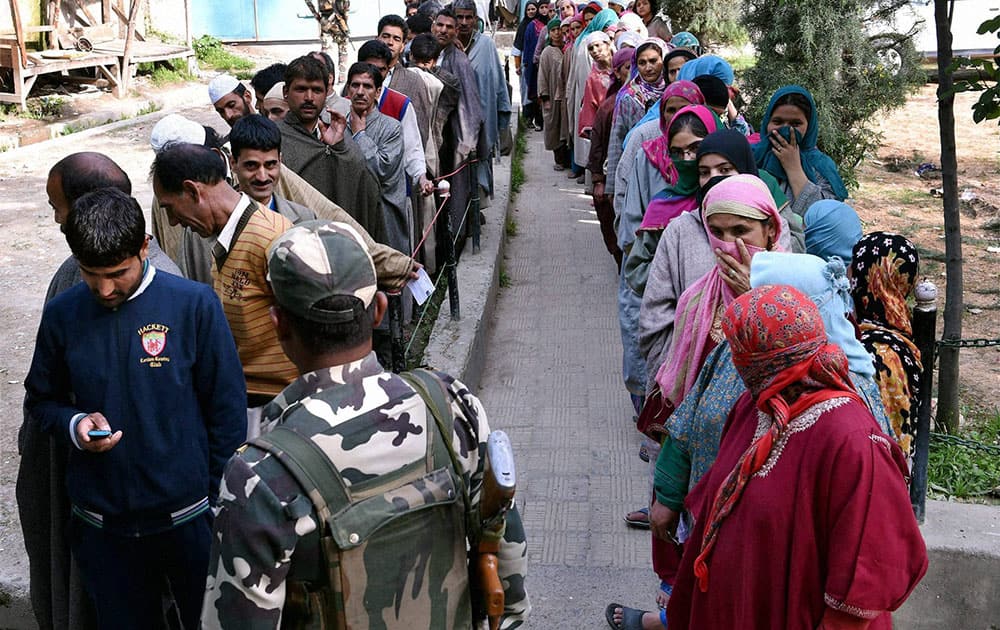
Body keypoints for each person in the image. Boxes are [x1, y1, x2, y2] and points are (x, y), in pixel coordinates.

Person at [201, 220, 531, 628]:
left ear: (278, 323)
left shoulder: (259, 476)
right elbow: (503, 547)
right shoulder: (451, 404)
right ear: (378, 309)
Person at [23, 188, 246, 629]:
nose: (104, 288)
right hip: (103, 529)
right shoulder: (62, 314)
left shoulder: (194, 305)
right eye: (90, 274)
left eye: (117, 273)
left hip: (191, 522)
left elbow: (227, 415)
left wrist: (216, 506)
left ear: (144, 247)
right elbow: (40, 401)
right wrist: (75, 424)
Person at [665, 285, 927, 629]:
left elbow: (872, 563)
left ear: (764, 361)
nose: (734, 364)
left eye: (739, 352)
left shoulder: (851, 440)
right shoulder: (756, 407)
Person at [17, 153, 181, 630]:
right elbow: (44, 388)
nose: (55, 219)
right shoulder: (72, 277)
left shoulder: (170, 290)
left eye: (59, 207)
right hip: (77, 467)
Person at [151, 142, 297, 431]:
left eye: (170, 207)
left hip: (278, 411)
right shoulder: (229, 239)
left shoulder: (272, 239)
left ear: (193, 191)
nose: (172, 221)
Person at [277, 55, 387, 244]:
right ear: (286, 92)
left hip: (340, 243)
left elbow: (365, 184)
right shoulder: (275, 137)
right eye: (301, 89)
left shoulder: (337, 131)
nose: (309, 98)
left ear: (327, 92)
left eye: (317, 90)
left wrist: (340, 149)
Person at [851, 232, 923, 458]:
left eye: (854, 266)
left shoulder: (877, 352)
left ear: (870, 278)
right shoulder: (895, 333)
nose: (848, 273)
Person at [357, 40, 435, 201]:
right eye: (370, 68)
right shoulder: (344, 104)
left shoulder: (400, 103)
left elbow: (412, 148)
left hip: (390, 195)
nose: (375, 75)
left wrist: (420, 177)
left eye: (381, 70)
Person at [344, 61, 409, 254]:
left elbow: (383, 170)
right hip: (349, 212)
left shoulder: (392, 128)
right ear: (348, 89)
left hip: (383, 217)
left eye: (368, 86)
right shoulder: (337, 125)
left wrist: (360, 136)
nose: (360, 92)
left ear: (378, 92)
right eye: (355, 85)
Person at [434, 6, 485, 246]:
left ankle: (456, 242)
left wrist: (467, 142)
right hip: (435, 137)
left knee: (454, 192)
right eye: (439, 25)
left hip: (453, 137)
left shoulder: (459, 60)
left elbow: (471, 105)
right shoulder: (432, 52)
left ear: (456, 31)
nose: (443, 30)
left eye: (449, 27)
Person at [753, 85, 849, 210]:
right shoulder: (751, 157)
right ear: (767, 122)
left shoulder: (821, 166)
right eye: (778, 122)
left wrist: (794, 168)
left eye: (795, 123)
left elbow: (824, 215)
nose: (786, 129)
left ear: (809, 127)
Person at [453, 0, 513, 199]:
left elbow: (499, 84)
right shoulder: (445, 46)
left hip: (482, 120)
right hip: (455, 122)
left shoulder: (485, 44)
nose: (463, 22)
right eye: (459, 17)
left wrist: (503, 122)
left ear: (476, 20)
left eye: (468, 17)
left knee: (479, 167)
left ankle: (477, 209)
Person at [606, 38, 668, 213]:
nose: (648, 68)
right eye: (642, 63)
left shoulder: (674, 93)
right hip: (636, 172)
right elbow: (617, 140)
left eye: (654, 61)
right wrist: (612, 185)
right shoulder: (629, 97)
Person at [587, 46, 632, 268]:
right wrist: (598, 180)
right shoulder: (610, 106)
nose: (634, 71)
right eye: (628, 67)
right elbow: (598, 145)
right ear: (617, 72)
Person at [229, 114, 316, 223]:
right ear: (233, 163)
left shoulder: (304, 218)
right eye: (251, 166)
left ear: (280, 160)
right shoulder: (212, 224)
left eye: (270, 165)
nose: (262, 177)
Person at [378, 14, 433, 142]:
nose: (390, 42)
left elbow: (420, 131)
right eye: (385, 36)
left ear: (403, 45)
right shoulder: (360, 77)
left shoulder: (413, 82)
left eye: (396, 39)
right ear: (377, 38)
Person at [537, 16, 571, 170]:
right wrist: (545, 98)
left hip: (566, 95)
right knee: (554, 128)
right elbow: (542, 76)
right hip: (552, 94)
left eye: (559, 29)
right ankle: (559, 159)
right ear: (549, 33)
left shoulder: (568, 48)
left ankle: (568, 159)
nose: (557, 33)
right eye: (553, 30)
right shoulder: (546, 52)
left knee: (566, 126)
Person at [577, 32, 615, 140]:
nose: (594, 51)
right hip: (607, 126)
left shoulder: (622, 67)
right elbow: (590, 106)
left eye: (598, 45)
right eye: (590, 48)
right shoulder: (593, 78)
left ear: (608, 44)